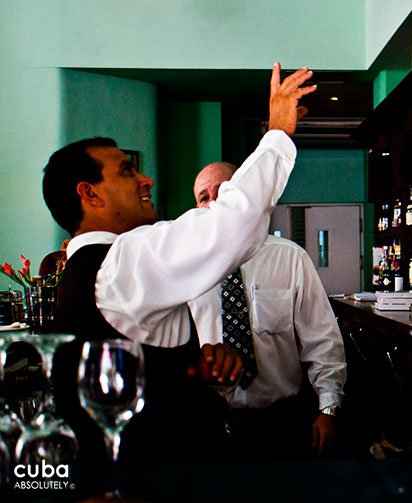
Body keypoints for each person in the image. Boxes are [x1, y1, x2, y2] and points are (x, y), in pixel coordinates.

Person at [41, 63, 316, 495]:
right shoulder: (121, 260)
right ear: (90, 194)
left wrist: (189, 373)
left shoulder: (88, 270)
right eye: (127, 171)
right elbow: (230, 225)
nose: (146, 178)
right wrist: (279, 130)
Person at [189, 162, 347, 461]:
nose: (214, 203)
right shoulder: (183, 267)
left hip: (279, 423)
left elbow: (322, 341)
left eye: (223, 191)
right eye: (203, 197)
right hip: (205, 424)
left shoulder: (290, 258)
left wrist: (328, 410)